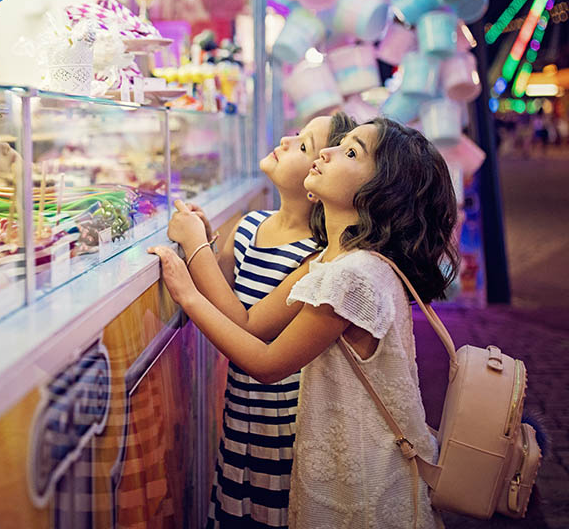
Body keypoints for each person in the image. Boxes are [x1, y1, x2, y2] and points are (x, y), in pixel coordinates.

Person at [151, 118, 458, 528]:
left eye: (350, 153)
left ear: (381, 194)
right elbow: (252, 323)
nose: (325, 153)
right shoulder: (338, 261)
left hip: (362, 480)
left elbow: (266, 363)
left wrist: (187, 292)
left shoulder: (350, 274)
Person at [189, 111, 355, 529]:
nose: (286, 139)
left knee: (274, 514)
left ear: (318, 183)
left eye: (303, 146)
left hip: (283, 427)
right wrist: (207, 245)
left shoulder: (315, 256)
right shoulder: (249, 226)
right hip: (238, 413)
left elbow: (246, 328)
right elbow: (223, 292)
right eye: (298, 134)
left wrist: (193, 251)